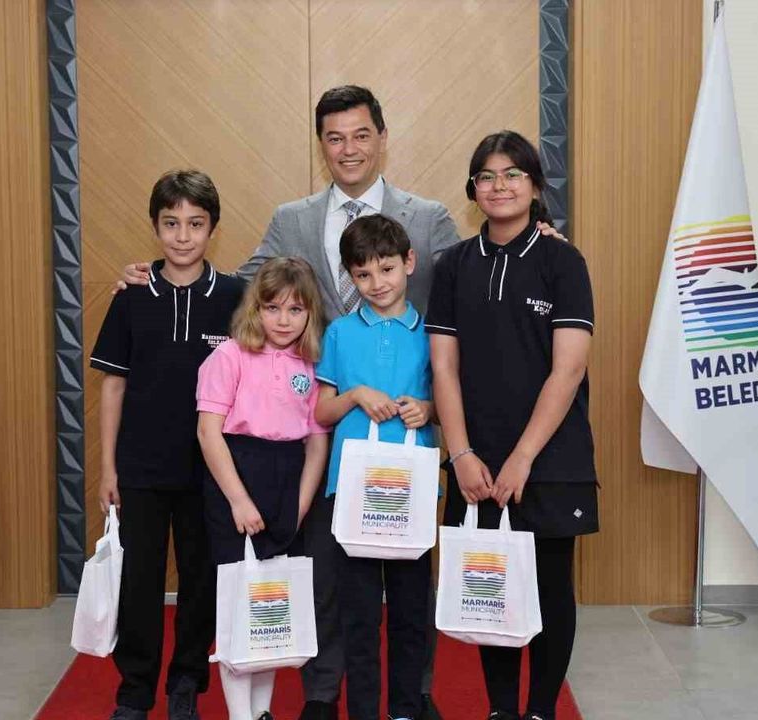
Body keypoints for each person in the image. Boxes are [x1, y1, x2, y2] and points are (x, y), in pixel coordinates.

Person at [119, 85, 464, 720]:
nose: (349, 149)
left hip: (398, 439)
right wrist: (156, 277)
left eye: (361, 135)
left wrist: (537, 235)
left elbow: (466, 280)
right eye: (335, 137)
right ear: (321, 145)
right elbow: (245, 287)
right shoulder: (291, 219)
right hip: (315, 421)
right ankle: (323, 693)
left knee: (409, 577)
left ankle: (413, 694)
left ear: (382, 137)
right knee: (324, 575)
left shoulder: (429, 217)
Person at [425, 131, 599, 720]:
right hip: (476, 460)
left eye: (512, 174)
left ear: (535, 185)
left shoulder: (562, 261)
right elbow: (443, 368)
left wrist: (523, 458)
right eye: (487, 176)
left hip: (550, 457)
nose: (499, 186)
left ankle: (541, 709)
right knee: (489, 585)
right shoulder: (453, 266)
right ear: (473, 188)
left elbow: (568, 369)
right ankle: (502, 710)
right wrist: (460, 453)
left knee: (550, 588)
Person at [90, 170, 247, 720]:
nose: (183, 236)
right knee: (140, 583)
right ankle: (134, 693)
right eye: (171, 223)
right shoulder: (132, 295)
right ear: (155, 227)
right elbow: (113, 386)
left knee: (202, 583)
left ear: (213, 229)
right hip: (140, 469)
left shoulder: (235, 297)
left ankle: (186, 685)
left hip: (210, 471)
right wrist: (107, 467)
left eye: (195, 224)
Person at [196, 257, 332, 720]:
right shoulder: (229, 356)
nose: (283, 321)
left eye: (295, 310)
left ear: (310, 314)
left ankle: (261, 712)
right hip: (236, 475)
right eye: (272, 308)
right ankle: (240, 714)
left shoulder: (311, 364)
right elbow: (208, 433)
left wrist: (299, 505)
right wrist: (238, 500)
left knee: (271, 604)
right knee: (239, 603)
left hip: (288, 479)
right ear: (256, 309)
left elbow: (317, 442)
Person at [313, 215, 437, 720]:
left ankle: (405, 708)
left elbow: (447, 403)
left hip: (412, 491)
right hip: (351, 491)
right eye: (363, 274)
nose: (377, 283)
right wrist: (356, 395)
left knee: (410, 611)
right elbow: (322, 412)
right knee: (359, 614)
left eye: (386, 269)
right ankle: (363, 710)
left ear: (409, 262)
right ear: (350, 277)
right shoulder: (339, 333)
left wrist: (427, 409)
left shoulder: (432, 333)